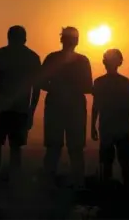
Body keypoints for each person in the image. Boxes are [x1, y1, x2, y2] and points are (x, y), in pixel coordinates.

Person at [0, 25, 41, 186]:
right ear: (24, 39)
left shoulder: (2, 53)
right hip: (19, 109)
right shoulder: (32, 57)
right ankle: (13, 181)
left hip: (1, 107)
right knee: (15, 147)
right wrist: (31, 110)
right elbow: (36, 88)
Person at [41, 27, 93, 190]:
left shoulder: (52, 58)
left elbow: (41, 82)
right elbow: (88, 87)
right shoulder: (83, 61)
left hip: (56, 106)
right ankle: (78, 183)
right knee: (75, 149)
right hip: (75, 107)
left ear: (62, 39)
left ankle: (49, 184)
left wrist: (57, 88)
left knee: (54, 148)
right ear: (76, 41)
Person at [91, 49, 129, 187]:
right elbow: (128, 107)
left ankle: (109, 190)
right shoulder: (124, 82)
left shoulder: (99, 82)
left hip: (108, 126)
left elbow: (96, 106)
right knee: (122, 162)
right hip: (117, 127)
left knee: (110, 162)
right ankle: (124, 190)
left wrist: (93, 126)